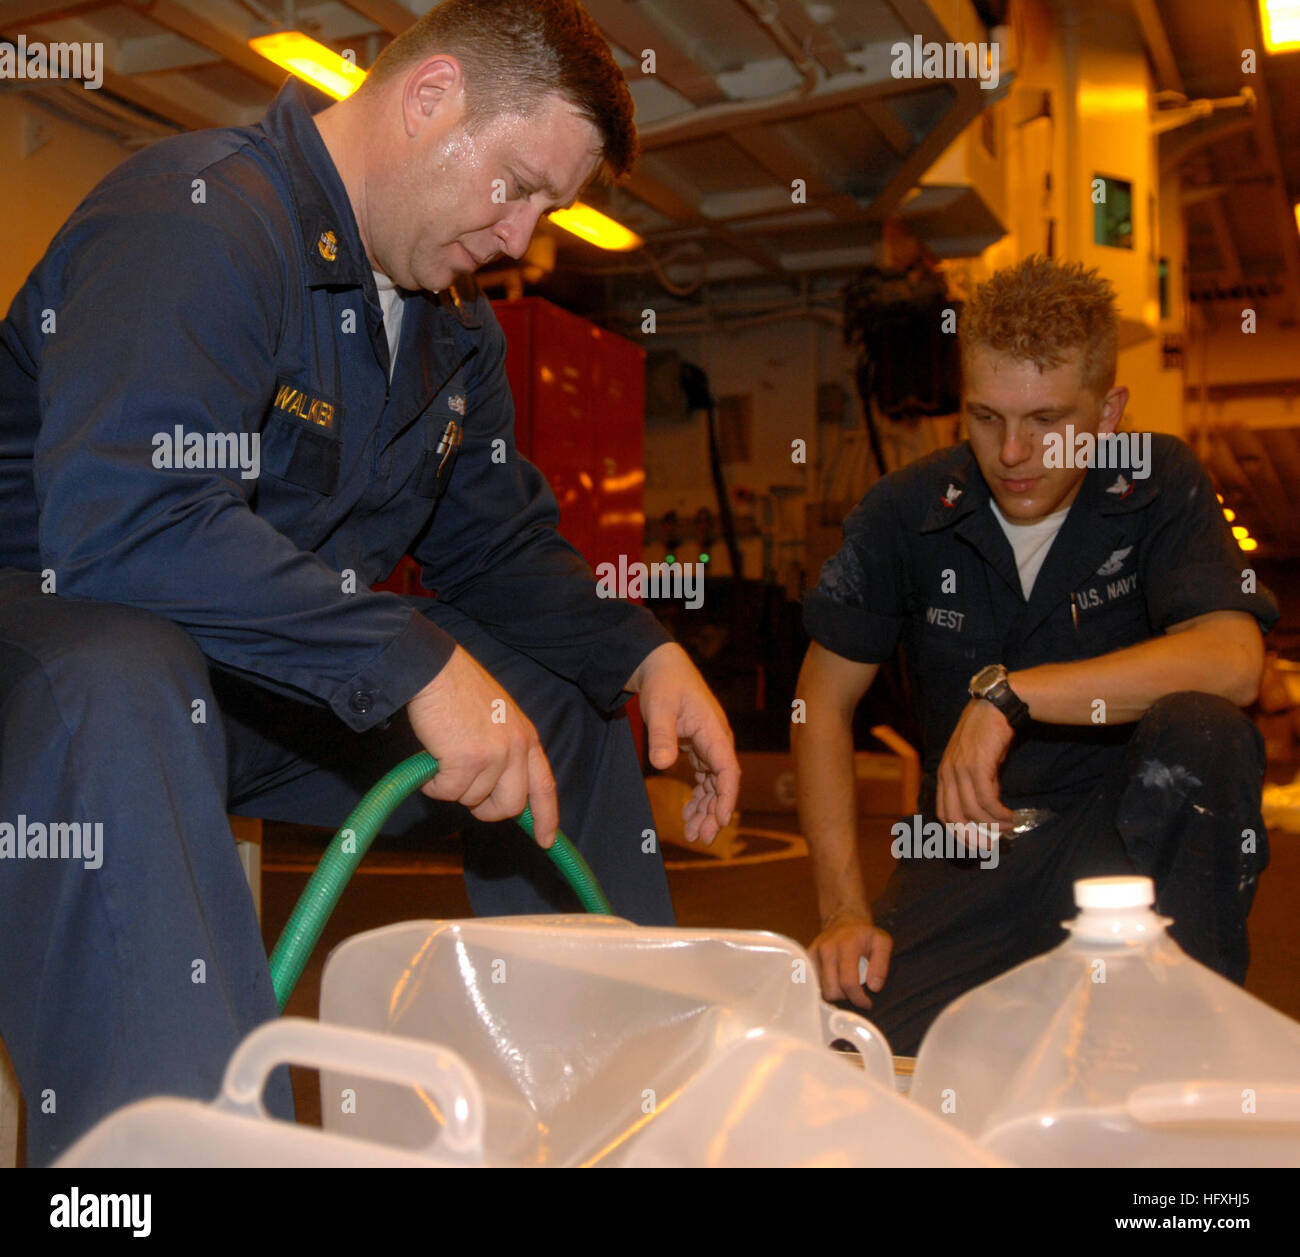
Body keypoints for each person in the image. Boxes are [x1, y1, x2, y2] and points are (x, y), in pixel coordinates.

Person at [0, 0, 738, 1165]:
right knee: (123, 668)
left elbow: (495, 550)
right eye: (516, 184)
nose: (521, 239)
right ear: (430, 96)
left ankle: (601, 1114)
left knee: (552, 694)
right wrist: (411, 661)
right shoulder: (198, 217)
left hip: (231, 677)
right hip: (46, 657)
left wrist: (645, 654)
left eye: (549, 209)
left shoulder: (453, 332)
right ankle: (162, 1168)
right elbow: (126, 524)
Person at [793, 255, 1276, 1056]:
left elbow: (1233, 659)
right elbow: (820, 705)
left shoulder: (1159, 484)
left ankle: (1193, 1039)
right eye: (986, 417)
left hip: (1119, 843)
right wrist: (843, 911)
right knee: (865, 1059)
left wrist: (1012, 695)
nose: (1013, 452)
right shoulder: (904, 512)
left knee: (1205, 731)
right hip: (969, 847)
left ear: (1108, 410)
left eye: (1048, 421)